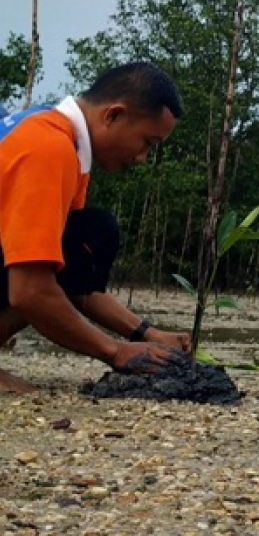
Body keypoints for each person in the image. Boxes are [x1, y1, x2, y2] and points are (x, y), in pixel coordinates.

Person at [0, 62, 192, 393]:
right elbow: (30, 289)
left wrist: (145, 334)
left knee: (86, 235)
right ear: (113, 115)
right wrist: (115, 352)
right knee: (91, 232)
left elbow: (73, 277)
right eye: (146, 142)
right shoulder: (48, 147)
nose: (142, 157)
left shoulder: (63, 140)